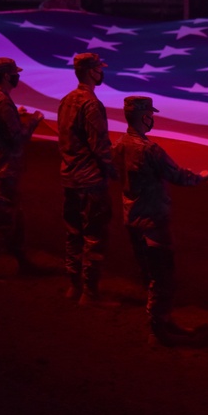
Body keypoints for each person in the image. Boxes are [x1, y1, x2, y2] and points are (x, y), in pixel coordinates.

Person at [113, 96, 208, 345]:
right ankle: (157, 329)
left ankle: (163, 321)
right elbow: (177, 175)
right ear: (145, 116)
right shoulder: (150, 150)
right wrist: (200, 178)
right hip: (152, 221)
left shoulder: (120, 145)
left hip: (131, 217)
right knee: (163, 275)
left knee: (149, 274)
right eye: (150, 114)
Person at [0, 57, 44, 280]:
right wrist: (34, 121)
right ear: (7, 76)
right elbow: (17, 138)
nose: (17, 77)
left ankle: (20, 259)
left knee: (15, 216)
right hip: (3, 168)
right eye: (15, 73)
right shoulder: (3, 102)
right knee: (3, 218)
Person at [57, 52, 117, 305]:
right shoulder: (91, 104)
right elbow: (99, 146)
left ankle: (73, 286)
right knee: (94, 236)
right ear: (92, 72)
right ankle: (90, 292)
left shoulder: (67, 100)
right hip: (90, 181)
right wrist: (115, 171)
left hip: (69, 177)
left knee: (73, 234)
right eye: (99, 69)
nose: (101, 73)